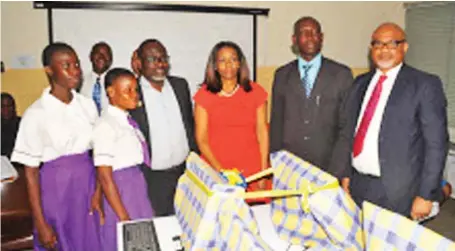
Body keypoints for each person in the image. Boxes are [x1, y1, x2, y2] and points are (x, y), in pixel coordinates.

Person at [340, 23, 449, 220]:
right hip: (358, 184)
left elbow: (437, 144)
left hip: (398, 191)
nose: (384, 50)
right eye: (378, 44)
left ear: (404, 47)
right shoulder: (360, 83)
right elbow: (350, 132)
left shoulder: (424, 85)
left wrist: (426, 194)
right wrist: (346, 174)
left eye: (392, 44)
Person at [10, 42, 102, 250]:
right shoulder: (36, 114)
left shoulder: (87, 105)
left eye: (76, 64)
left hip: (87, 187)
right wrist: (40, 223)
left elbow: (98, 153)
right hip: (56, 192)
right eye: (66, 65)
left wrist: (98, 191)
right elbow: (31, 174)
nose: (75, 70)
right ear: (49, 70)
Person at [269, 16, 354, 178]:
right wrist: (276, 162)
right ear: (294, 40)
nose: (310, 37)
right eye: (304, 33)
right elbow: (276, 123)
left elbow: (347, 127)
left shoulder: (341, 75)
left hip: (328, 167)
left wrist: (340, 170)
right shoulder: (282, 75)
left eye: (315, 33)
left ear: (321, 38)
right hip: (290, 166)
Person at [129, 39, 198, 216]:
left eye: (163, 58)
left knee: (189, 220)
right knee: (161, 226)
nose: (160, 64)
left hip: (185, 173)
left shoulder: (180, 85)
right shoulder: (131, 92)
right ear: (139, 63)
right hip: (153, 179)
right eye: (152, 59)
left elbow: (190, 124)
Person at [194, 41, 269, 192]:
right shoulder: (204, 95)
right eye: (222, 60)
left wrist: (262, 172)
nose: (228, 65)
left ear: (240, 63)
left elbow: (262, 132)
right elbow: (201, 140)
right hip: (216, 169)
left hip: (252, 170)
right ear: (214, 65)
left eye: (233, 59)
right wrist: (223, 173)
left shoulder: (256, 92)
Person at [93, 68, 154, 251]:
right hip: (121, 190)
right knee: (127, 240)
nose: (134, 95)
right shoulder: (106, 125)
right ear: (111, 92)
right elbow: (104, 176)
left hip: (136, 185)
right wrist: (124, 218)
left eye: (135, 90)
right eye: (127, 90)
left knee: (144, 240)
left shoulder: (126, 120)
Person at [80, 41, 113, 114]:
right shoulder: (80, 81)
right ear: (90, 57)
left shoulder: (116, 81)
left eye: (106, 54)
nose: (101, 57)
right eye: (97, 53)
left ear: (111, 59)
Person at [1, 92, 21, 158]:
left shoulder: (23, 124)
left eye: (9, 106)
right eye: (2, 106)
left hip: (19, 165)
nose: (6, 109)